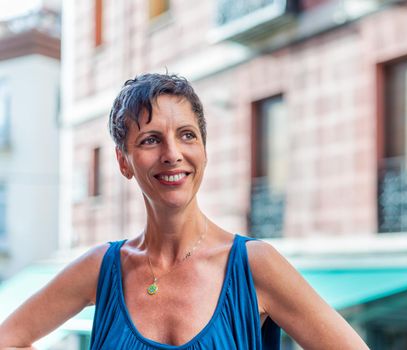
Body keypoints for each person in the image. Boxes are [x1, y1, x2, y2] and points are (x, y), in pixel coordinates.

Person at [0, 73, 369, 350]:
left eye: (187, 135)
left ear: (204, 151)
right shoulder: (101, 268)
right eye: (150, 139)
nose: (172, 153)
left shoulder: (255, 265)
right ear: (124, 162)